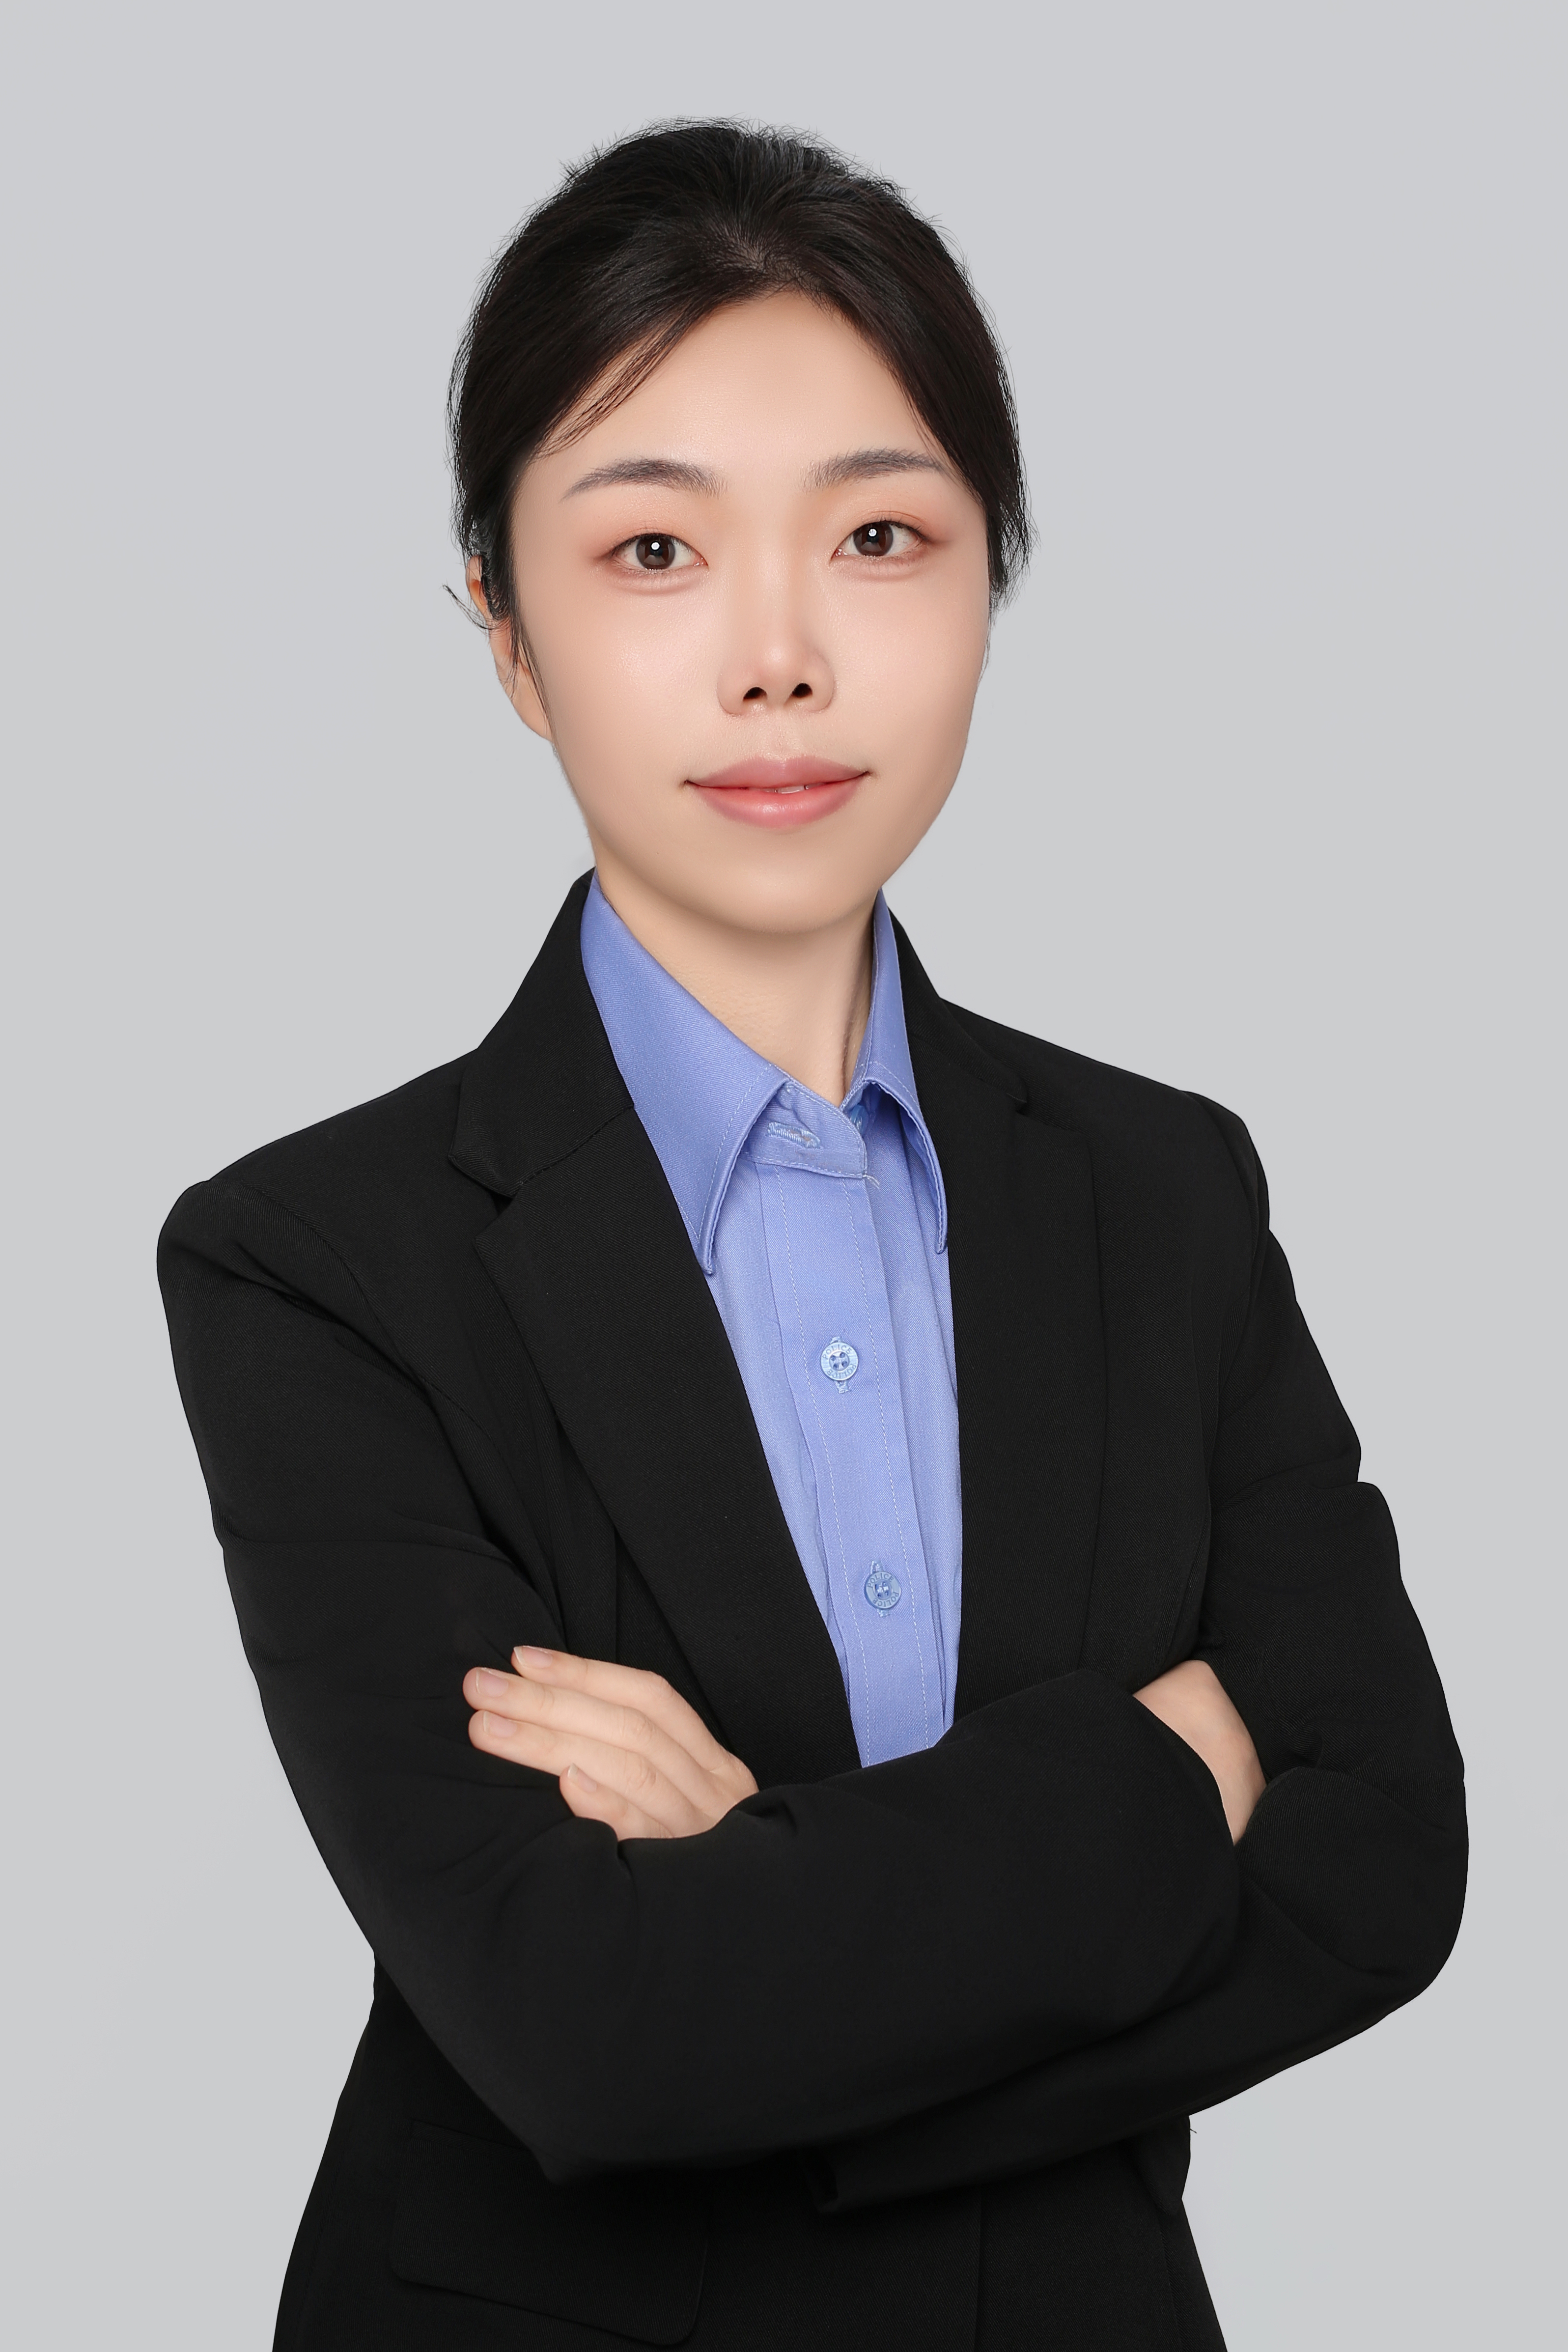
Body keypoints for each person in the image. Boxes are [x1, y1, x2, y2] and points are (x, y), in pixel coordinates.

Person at [159, 121, 1466, 2352]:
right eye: (654, 550)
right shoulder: (317, 1260)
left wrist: (758, 1887)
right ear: (509, 634)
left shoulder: (1165, 1189)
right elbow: (580, 2030)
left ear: (988, 580)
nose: (779, 659)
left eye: (879, 536)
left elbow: (1380, 1868)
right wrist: (1162, 1779)